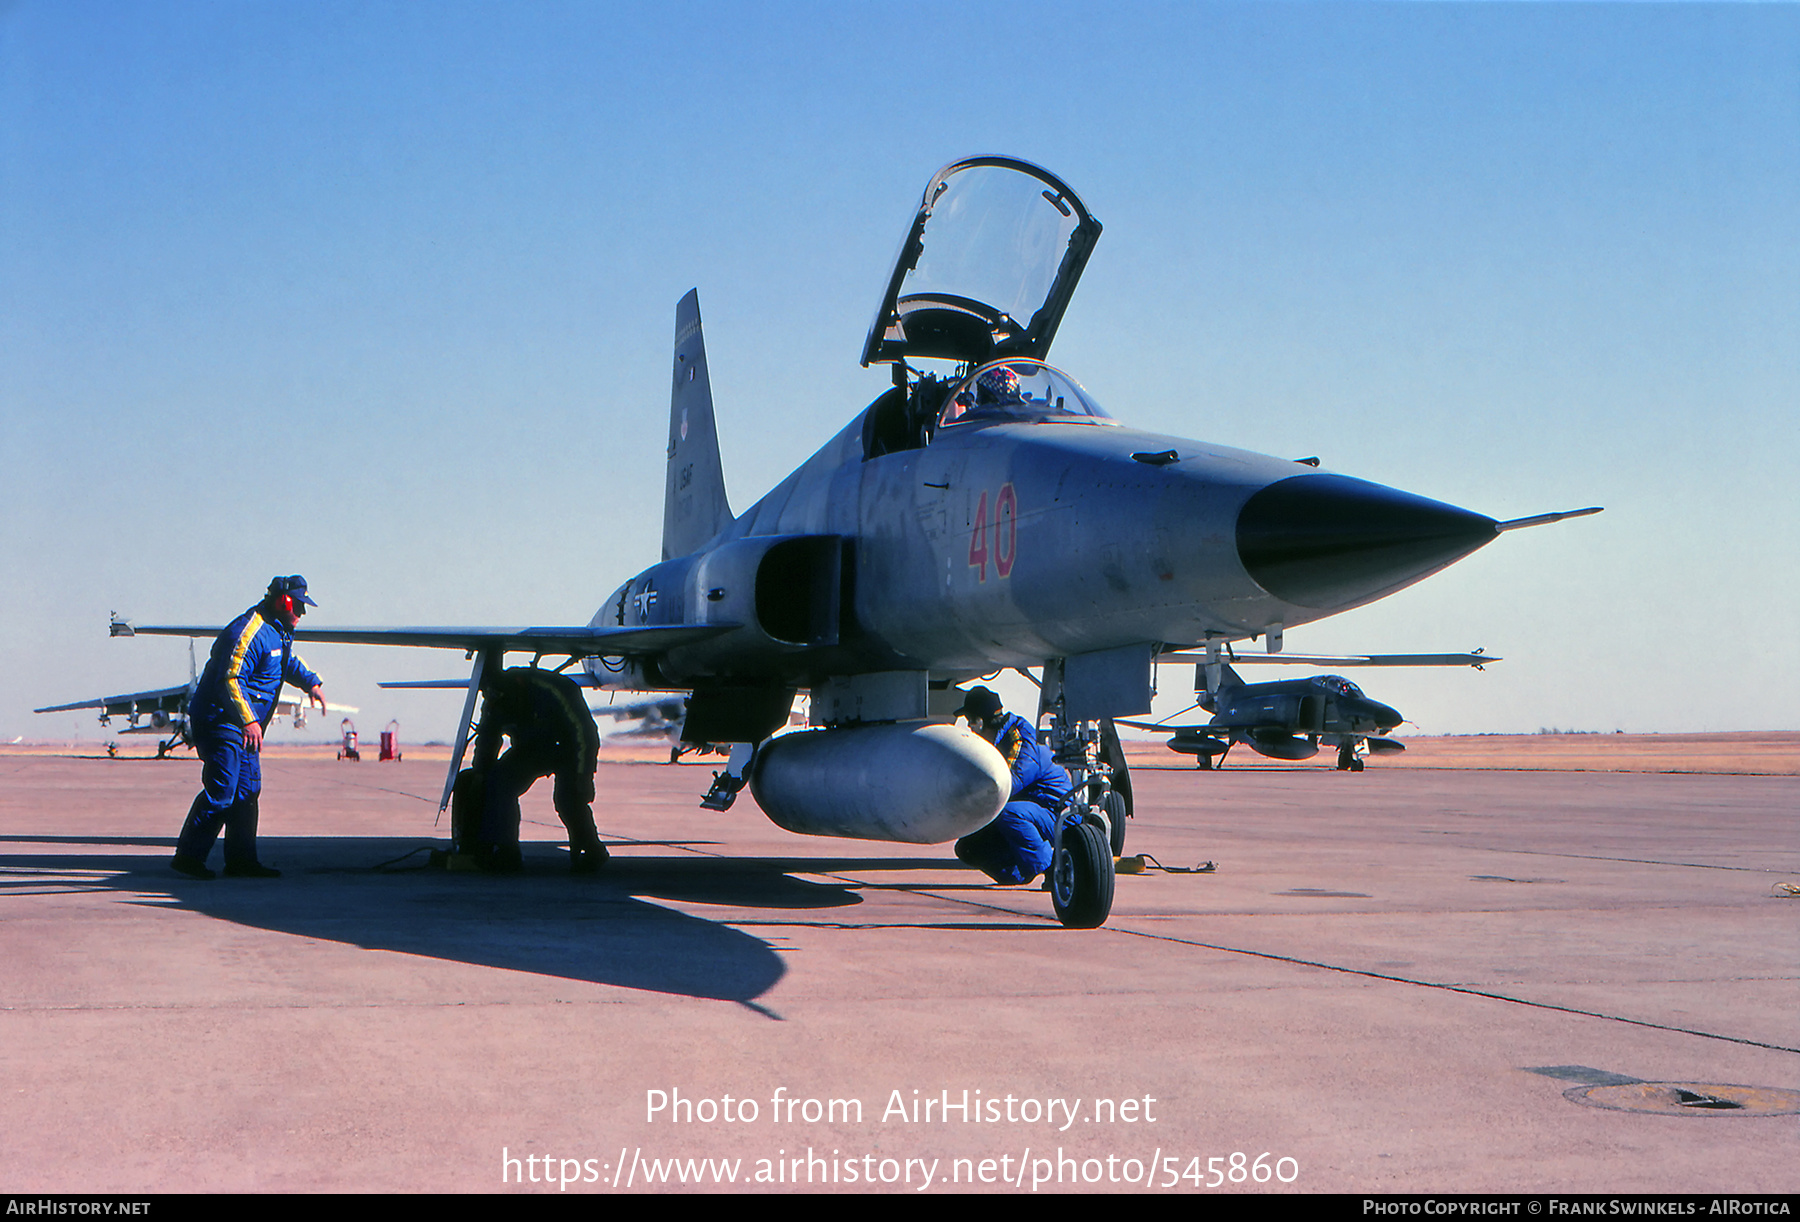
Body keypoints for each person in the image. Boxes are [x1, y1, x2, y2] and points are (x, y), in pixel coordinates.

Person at [171, 575, 326, 880]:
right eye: (299, 606)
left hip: (243, 728)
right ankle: (188, 858)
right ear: (284, 602)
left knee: (247, 792)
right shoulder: (248, 631)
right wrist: (249, 720)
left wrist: (311, 682)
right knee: (223, 790)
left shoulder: (277, 633)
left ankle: (241, 862)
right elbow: (230, 679)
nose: (302, 614)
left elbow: (284, 663)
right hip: (222, 722)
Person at [461, 667, 607, 873]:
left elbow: (584, 734)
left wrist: (584, 775)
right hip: (531, 748)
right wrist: (480, 774)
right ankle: (505, 851)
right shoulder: (496, 700)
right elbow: (487, 738)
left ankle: (592, 850)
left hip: (568, 749)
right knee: (498, 783)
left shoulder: (555, 690)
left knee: (569, 799)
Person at [952, 686, 1071, 885]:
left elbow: (1009, 784)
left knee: (1008, 812)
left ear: (980, 722)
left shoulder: (1019, 739)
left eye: (970, 721)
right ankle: (1021, 872)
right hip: (1031, 811)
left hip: (1057, 815)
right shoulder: (997, 741)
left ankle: (1052, 869)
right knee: (969, 847)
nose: (969, 727)